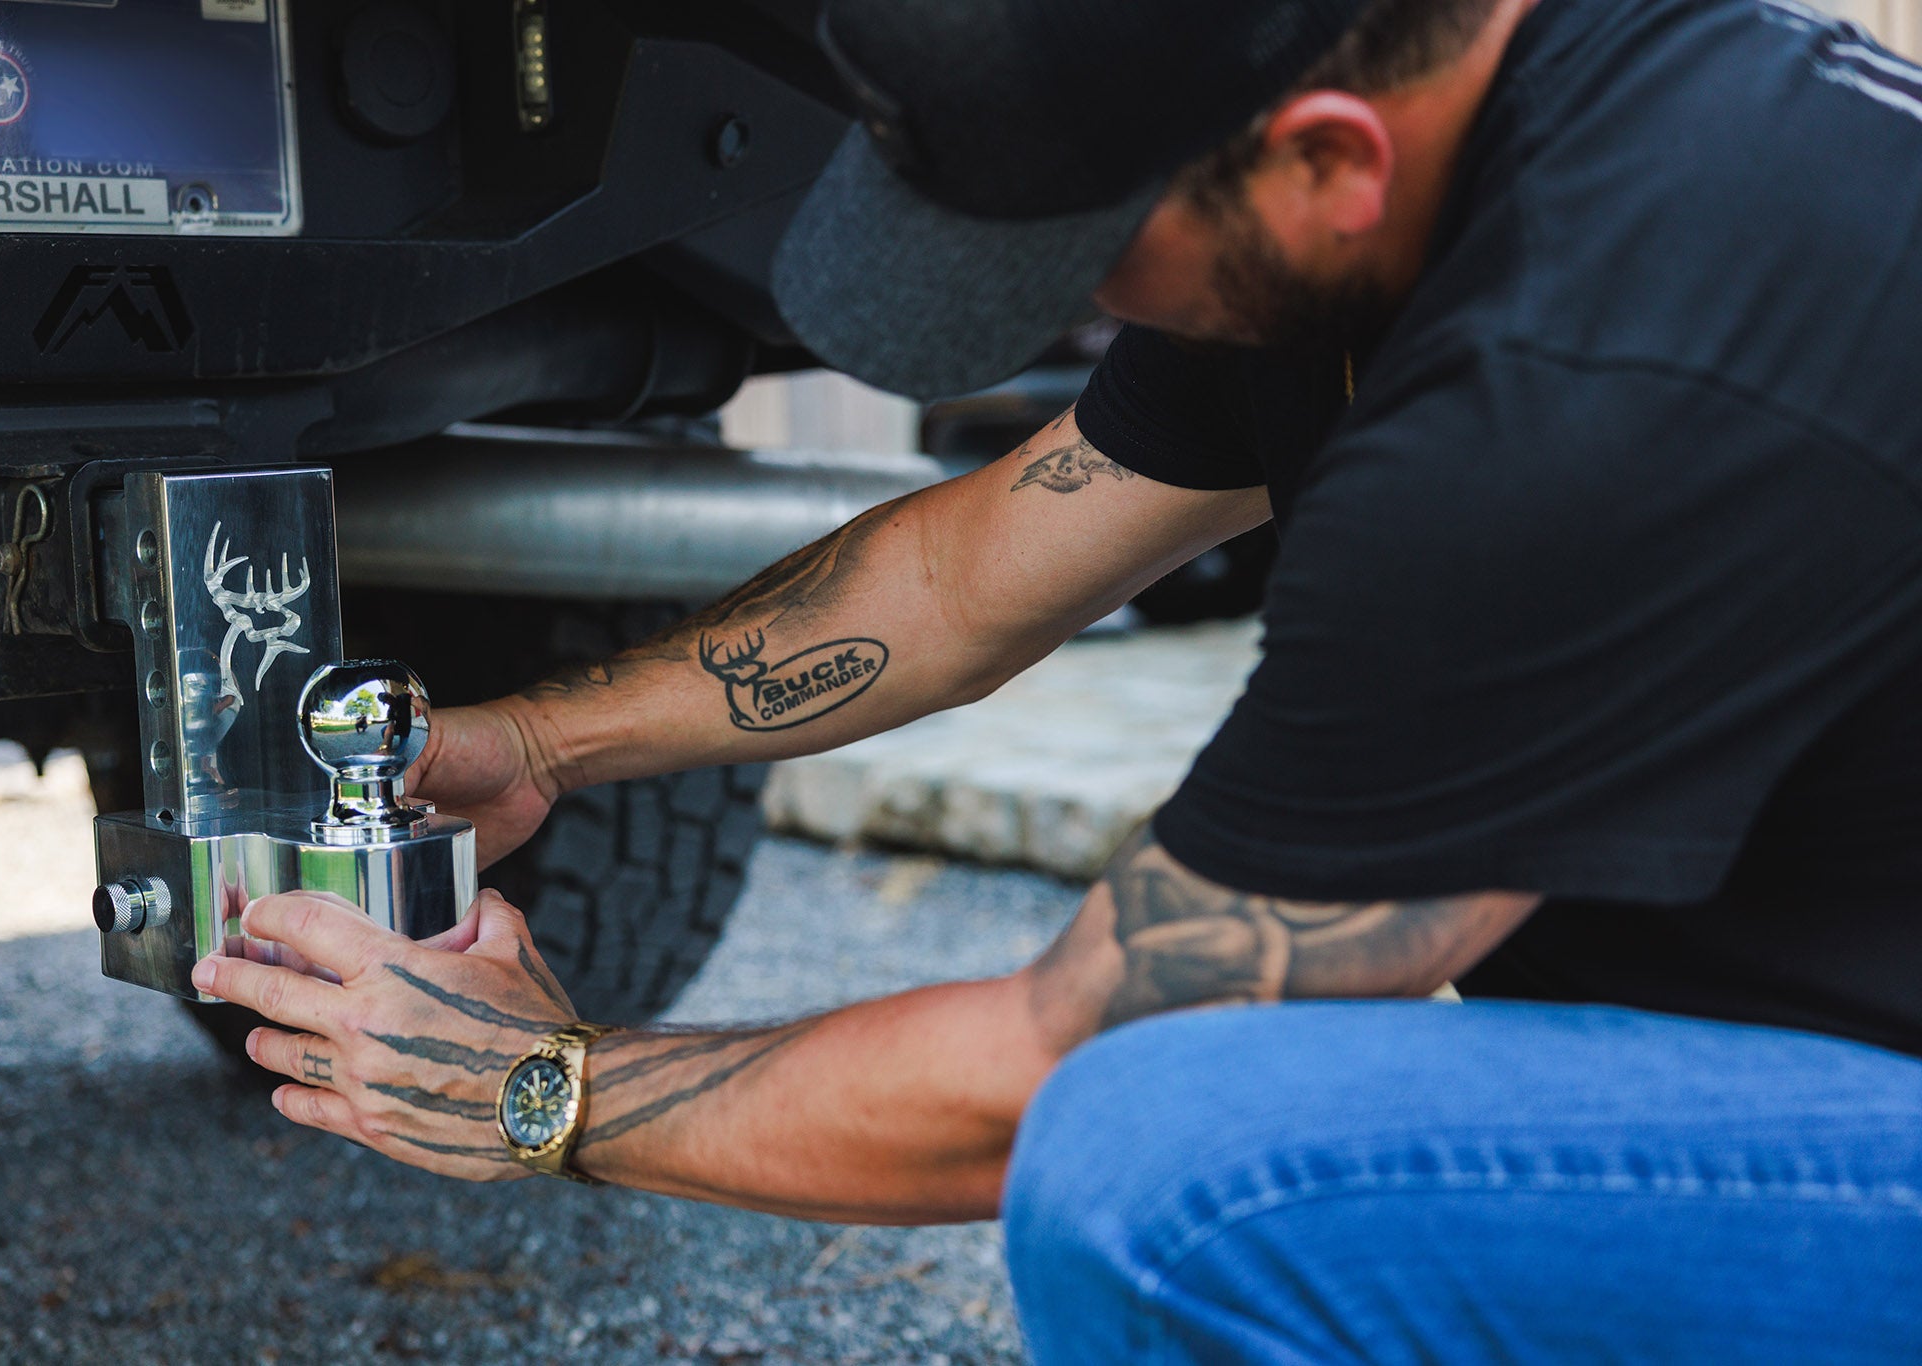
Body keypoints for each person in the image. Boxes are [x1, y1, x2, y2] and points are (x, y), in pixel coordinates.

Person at [192, 0, 1922, 1357]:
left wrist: (535, 1086)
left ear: (1323, 160)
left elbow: (1051, 1068)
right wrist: (538, 737)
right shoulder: (1458, 134)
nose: (1076, 305)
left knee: (1175, 1169)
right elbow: (966, 574)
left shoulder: (1592, 377)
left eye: (1084, 257)